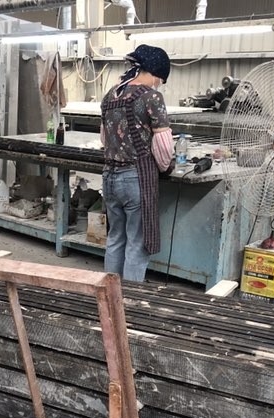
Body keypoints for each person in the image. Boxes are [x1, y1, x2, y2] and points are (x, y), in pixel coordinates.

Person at [101, 44, 175, 282]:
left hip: (109, 177)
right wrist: (166, 167)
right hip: (135, 179)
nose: (159, 84)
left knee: (115, 238)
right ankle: (130, 298)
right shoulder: (151, 96)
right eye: (160, 79)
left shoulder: (111, 95)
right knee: (137, 243)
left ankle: (110, 294)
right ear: (155, 73)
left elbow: (104, 138)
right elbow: (163, 146)